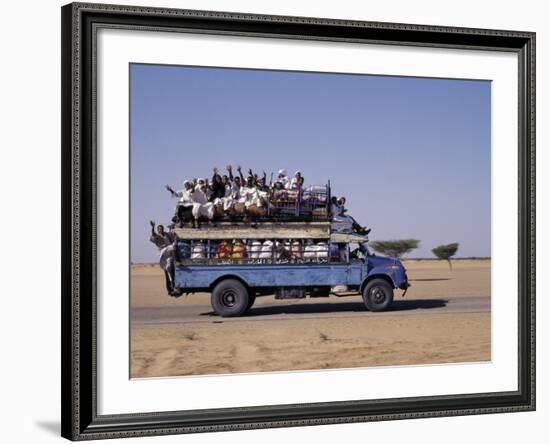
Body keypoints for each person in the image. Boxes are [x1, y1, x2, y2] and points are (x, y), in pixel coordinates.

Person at [149, 221, 177, 295]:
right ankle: (170, 288)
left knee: (170, 270)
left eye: (161, 229)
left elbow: (173, 235)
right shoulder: (157, 236)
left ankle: (172, 287)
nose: (160, 230)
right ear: (158, 230)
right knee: (167, 271)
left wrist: (173, 227)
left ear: (163, 229)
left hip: (169, 255)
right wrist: (152, 227)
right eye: (159, 229)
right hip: (163, 254)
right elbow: (153, 234)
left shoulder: (167, 235)